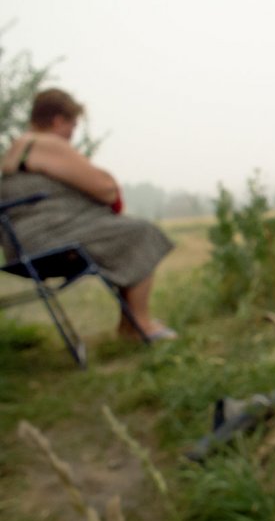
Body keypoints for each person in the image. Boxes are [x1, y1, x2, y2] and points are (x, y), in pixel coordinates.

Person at [0, 88, 177, 341]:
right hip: (52, 243)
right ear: (58, 120)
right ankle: (141, 324)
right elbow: (104, 189)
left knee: (119, 234)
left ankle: (129, 327)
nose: (72, 134)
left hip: (22, 250)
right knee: (141, 232)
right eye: (72, 125)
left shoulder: (14, 152)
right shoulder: (44, 144)